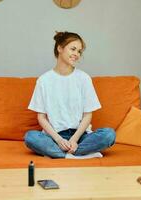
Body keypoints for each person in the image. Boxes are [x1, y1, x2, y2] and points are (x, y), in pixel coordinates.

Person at [24, 31, 115, 159]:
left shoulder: (84, 78)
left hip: (81, 136)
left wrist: (74, 140)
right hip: (54, 137)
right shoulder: (44, 80)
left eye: (79, 51)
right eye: (73, 49)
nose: (76, 54)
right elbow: (41, 117)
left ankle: (62, 154)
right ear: (60, 48)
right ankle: (78, 154)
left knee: (109, 134)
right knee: (30, 137)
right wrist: (59, 140)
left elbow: (88, 115)